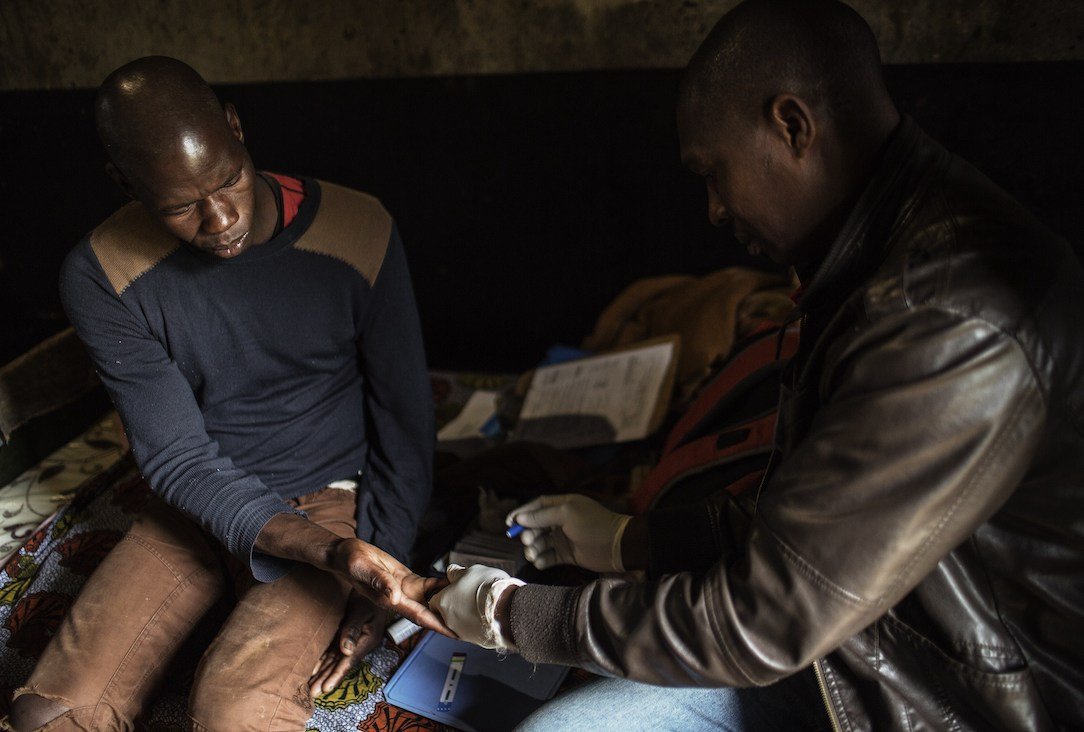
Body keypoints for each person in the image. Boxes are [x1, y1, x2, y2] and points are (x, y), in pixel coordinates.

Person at [429, 1, 1084, 729]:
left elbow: (763, 621)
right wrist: (631, 540)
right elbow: (820, 524)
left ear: (792, 127)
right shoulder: (877, 256)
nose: (713, 208)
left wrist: (513, 613)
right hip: (861, 646)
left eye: (714, 172)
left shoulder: (948, 317)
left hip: (951, 702)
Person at [9, 56, 445, 732]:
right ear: (124, 185)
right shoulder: (101, 272)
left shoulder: (361, 229)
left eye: (229, 180)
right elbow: (178, 459)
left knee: (233, 712)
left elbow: (405, 422)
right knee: (48, 714)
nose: (219, 220)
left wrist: (377, 575)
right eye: (181, 207)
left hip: (327, 494)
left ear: (237, 128)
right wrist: (326, 557)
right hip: (195, 506)